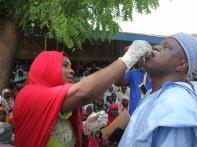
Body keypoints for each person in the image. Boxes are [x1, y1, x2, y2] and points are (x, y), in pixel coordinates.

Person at [13, 40, 152, 147]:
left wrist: (84, 128)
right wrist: (127, 59)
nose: (72, 70)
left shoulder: (63, 106)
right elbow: (84, 92)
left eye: (71, 66)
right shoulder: (30, 94)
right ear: (46, 68)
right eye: (65, 65)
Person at [119, 32, 197, 147]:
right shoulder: (153, 94)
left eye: (166, 47)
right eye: (159, 45)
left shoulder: (178, 104)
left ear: (181, 65)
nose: (156, 47)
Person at [115, 47, 152, 115]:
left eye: (146, 57)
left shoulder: (157, 75)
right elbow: (118, 83)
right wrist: (124, 63)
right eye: (141, 57)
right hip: (133, 115)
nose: (143, 59)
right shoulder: (132, 73)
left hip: (149, 115)